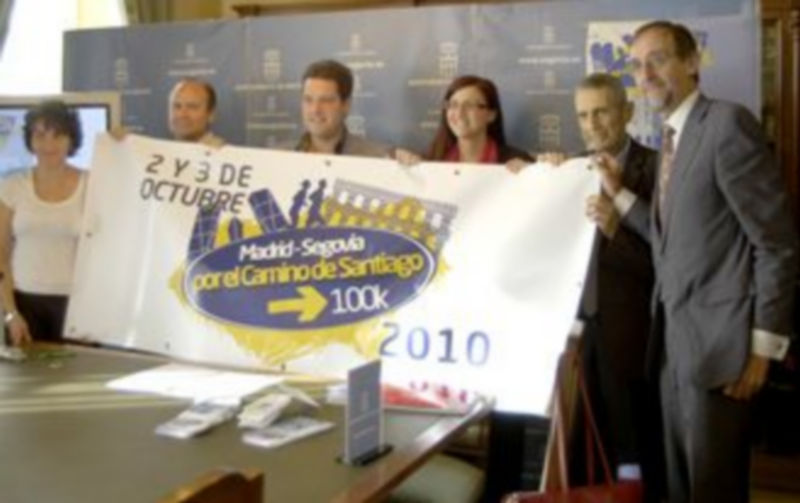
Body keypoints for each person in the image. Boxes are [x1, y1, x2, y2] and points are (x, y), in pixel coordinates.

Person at [597, 20, 797, 502]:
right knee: (681, 487)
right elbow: (672, 240)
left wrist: (763, 349)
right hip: (671, 346)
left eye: (658, 59)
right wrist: (620, 196)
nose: (646, 74)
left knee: (713, 490)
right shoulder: (672, 138)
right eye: (638, 65)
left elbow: (777, 243)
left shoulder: (725, 124)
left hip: (721, 352)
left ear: (691, 62)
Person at [562, 73, 663, 500]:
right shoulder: (569, 170)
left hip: (635, 331)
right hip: (578, 331)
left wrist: (615, 227)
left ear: (627, 112)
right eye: (584, 115)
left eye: (601, 111)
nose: (593, 124)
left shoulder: (659, 168)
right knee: (585, 443)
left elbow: (669, 263)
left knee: (638, 443)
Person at [0, 101, 88, 345]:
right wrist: (10, 314)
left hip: (77, 306)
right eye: (40, 135)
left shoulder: (92, 184)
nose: (48, 145)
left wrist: (120, 144)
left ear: (71, 140)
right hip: (23, 306)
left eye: (58, 135)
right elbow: (0, 256)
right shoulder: (12, 186)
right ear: (30, 140)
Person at [294, 59, 393, 157]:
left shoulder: (377, 158)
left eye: (326, 100)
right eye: (308, 99)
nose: (315, 109)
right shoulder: (280, 157)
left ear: (346, 105)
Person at [426, 74, 532, 165]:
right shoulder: (432, 161)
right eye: (453, 105)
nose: (459, 113)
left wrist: (532, 175)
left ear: (491, 115)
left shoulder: (516, 161)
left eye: (469, 106)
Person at [167, 78, 225, 147]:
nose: (182, 114)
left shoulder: (226, 155)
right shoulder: (156, 154)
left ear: (211, 114)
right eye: (177, 106)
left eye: (192, 107)